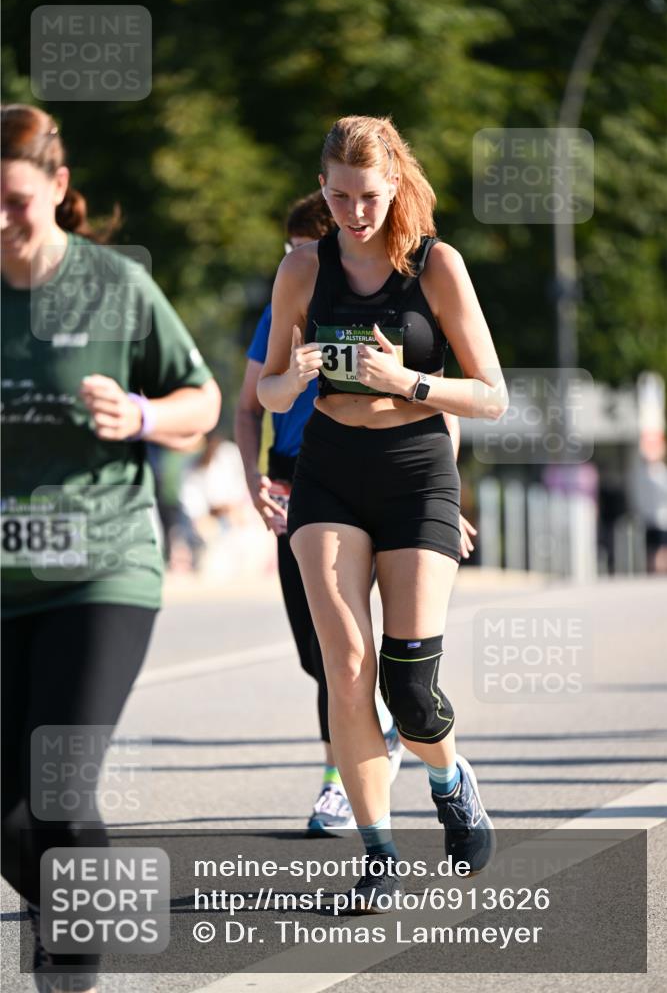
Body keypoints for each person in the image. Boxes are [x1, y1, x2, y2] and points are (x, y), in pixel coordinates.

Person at [258, 115, 507, 910]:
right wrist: (291, 379)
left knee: (410, 684)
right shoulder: (303, 267)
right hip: (327, 472)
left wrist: (409, 384)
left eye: (365, 197)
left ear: (393, 186)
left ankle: (447, 775)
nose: (352, 213)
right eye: (337, 197)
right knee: (345, 670)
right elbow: (262, 391)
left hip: (416, 471)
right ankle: (376, 851)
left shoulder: (435, 267)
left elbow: (494, 395)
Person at [1, 104, 221, 990]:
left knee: (56, 789)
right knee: (9, 817)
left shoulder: (113, 286)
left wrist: (139, 414)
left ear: (57, 189)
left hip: (100, 569)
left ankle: (73, 964)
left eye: (14, 199)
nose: (0, 220)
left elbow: (199, 402)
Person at [236, 191, 405, 836]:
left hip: (374, 468)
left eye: (297, 250)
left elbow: (440, 391)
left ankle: (349, 773)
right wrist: (252, 474)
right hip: (297, 479)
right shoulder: (284, 308)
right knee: (319, 651)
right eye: (285, 253)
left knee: (355, 650)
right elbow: (253, 403)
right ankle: (375, 729)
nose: (290, 263)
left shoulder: (385, 299)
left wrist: (444, 487)